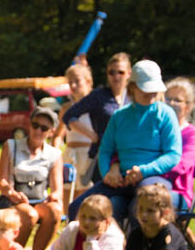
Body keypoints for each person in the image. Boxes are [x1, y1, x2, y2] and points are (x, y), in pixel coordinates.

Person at [67, 59, 181, 222]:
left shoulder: (166, 114)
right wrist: (107, 174)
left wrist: (144, 171)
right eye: (146, 89)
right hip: (120, 181)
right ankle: (78, 239)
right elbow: (106, 150)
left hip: (153, 178)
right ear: (133, 87)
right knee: (77, 207)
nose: (151, 94)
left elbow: (173, 154)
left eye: (154, 90)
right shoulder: (119, 116)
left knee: (141, 207)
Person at [0, 106, 63, 250]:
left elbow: (57, 189)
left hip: (39, 201)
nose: (38, 131)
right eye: (35, 125)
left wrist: (54, 196)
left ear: (51, 132)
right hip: (13, 200)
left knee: (55, 211)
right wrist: (12, 193)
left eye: (44, 128)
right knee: (29, 215)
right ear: (29, 125)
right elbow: (2, 182)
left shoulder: (54, 154)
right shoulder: (11, 146)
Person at [60, 52, 132, 183]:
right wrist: (92, 135)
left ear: (129, 73)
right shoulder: (99, 96)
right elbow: (69, 116)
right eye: (111, 72)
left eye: (120, 72)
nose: (116, 76)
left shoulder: (133, 97)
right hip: (104, 156)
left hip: (129, 155)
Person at [160, 78, 195, 212]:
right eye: (168, 99)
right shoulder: (156, 130)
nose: (171, 103)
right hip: (150, 184)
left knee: (148, 199)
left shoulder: (192, 134)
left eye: (177, 100)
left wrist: (149, 171)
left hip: (178, 192)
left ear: (188, 106)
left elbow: (182, 165)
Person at [56, 63, 95, 191]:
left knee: (86, 196)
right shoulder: (66, 108)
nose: (73, 85)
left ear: (88, 81)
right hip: (70, 155)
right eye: (70, 82)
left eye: (77, 81)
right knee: (67, 195)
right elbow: (58, 135)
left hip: (89, 155)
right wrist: (55, 156)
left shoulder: (97, 105)